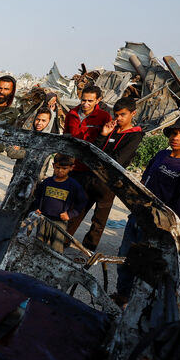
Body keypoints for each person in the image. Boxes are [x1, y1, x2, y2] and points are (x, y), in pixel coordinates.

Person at [113, 115, 180, 307]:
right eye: (174, 133)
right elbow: (144, 181)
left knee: (144, 267)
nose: (176, 137)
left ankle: (136, 304)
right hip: (137, 216)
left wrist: (166, 232)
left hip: (156, 227)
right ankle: (122, 295)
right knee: (125, 259)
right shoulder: (162, 155)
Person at [66, 97, 144, 250]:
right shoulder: (109, 129)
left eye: (122, 115)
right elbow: (93, 150)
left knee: (99, 221)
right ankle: (62, 241)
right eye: (116, 115)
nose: (118, 118)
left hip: (109, 184)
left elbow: (118, 160)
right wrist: (102, 135)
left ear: (133, 113)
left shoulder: (135, 136)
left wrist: (99, 156)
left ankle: (87, 251)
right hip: (91, 177)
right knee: (76, 212)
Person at [30, 154, 87, 252]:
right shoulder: (47, 182)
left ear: (71, 168)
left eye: (64, 168)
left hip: (60, 222)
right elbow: (37, 195)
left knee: (56, 248)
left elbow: (82, 202)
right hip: (43, 219)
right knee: (38, 246)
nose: (60, 170)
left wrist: (70, 214)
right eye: (57, 167)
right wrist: (37, 208)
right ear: (53, 165)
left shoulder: (74, 185)